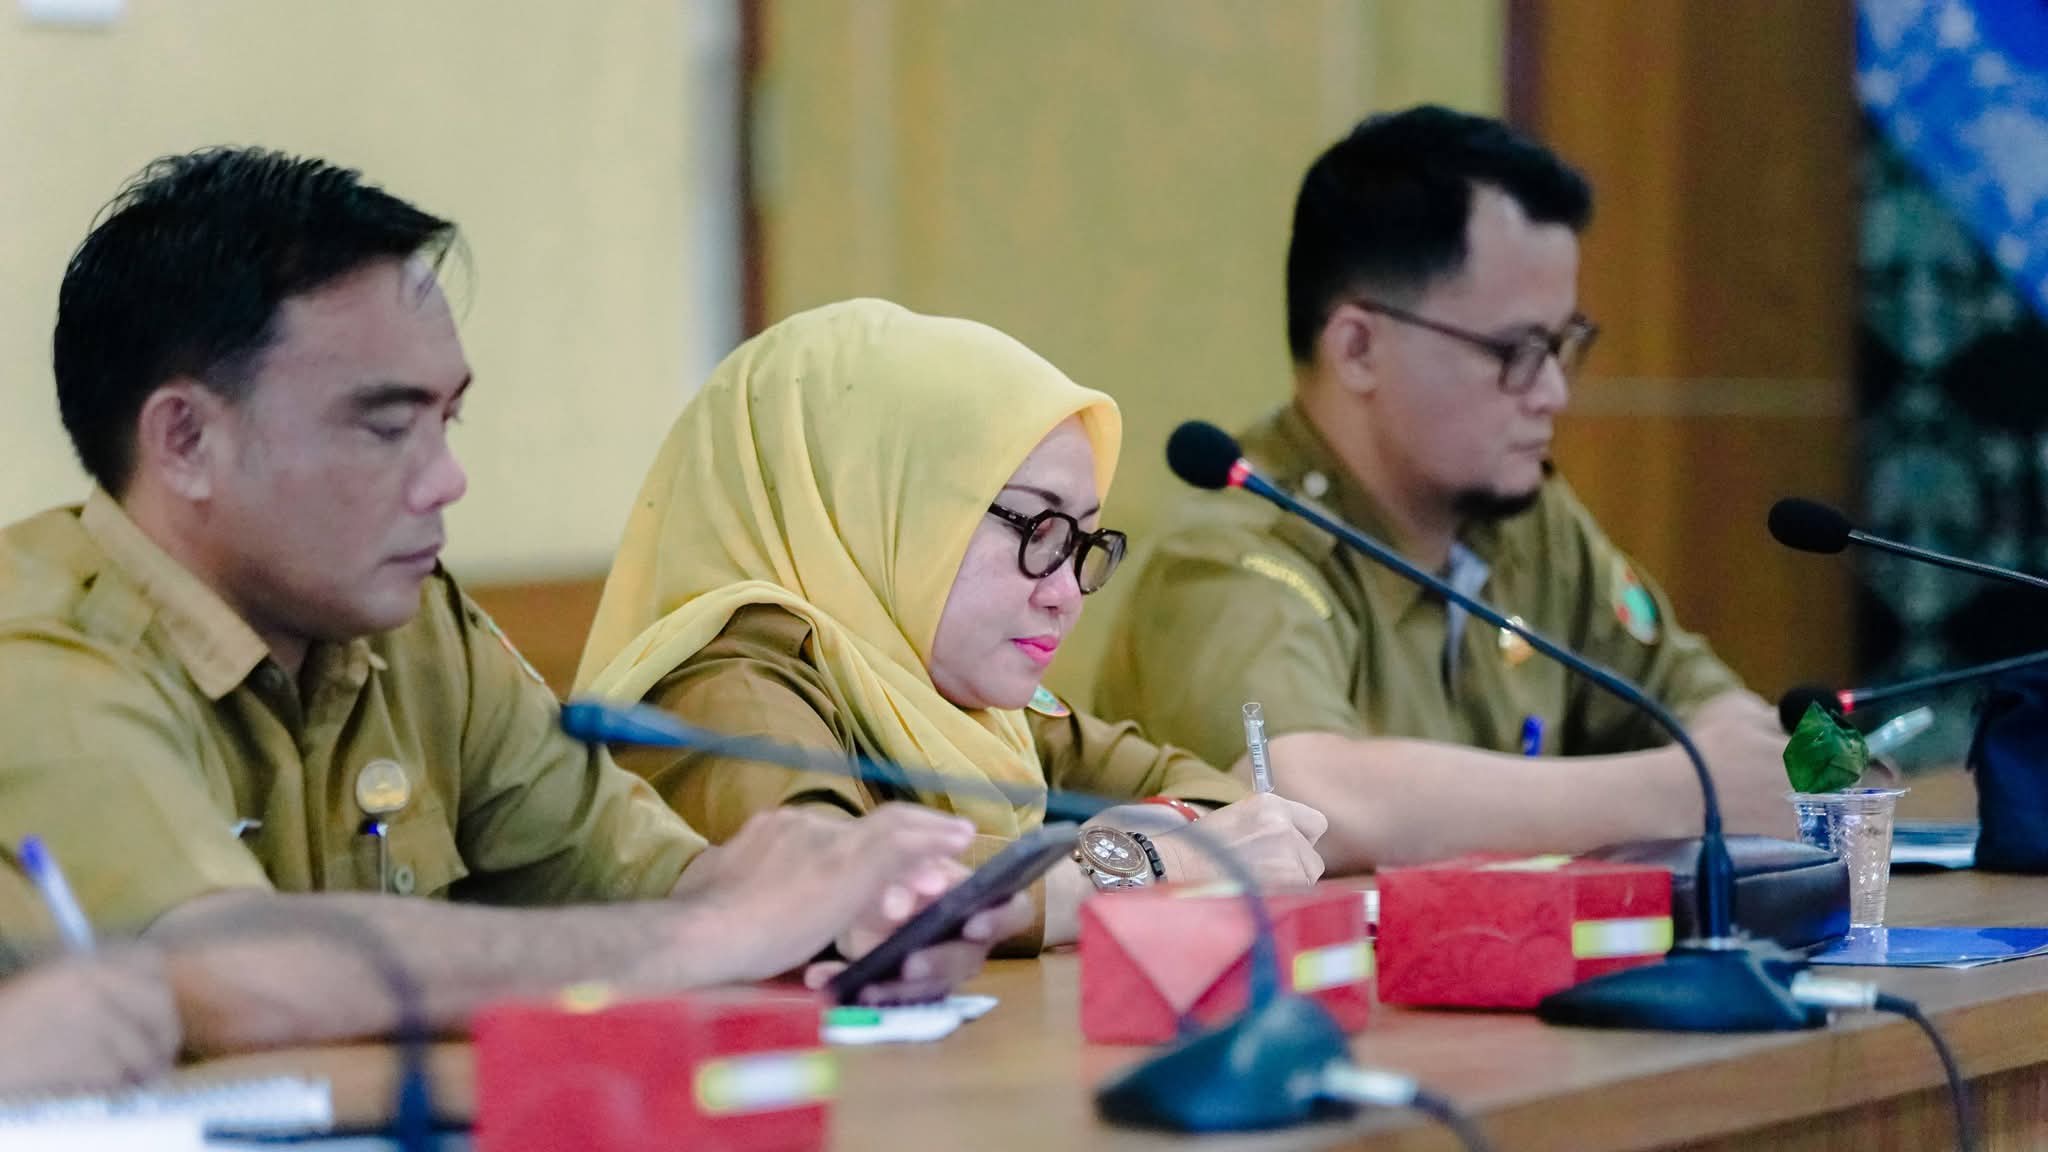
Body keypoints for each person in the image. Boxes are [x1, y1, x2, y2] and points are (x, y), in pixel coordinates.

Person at [0, 148, 1025, 1060]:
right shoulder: (36, 652)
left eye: (447, 422)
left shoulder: (414, 633)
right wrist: (715, 934)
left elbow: (663, 884)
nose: (445, 481)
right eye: (386, 428)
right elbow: (227, 975)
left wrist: (849, 924)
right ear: (186, 441)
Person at [1095, 105, 1793, 873]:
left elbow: (1707, 712)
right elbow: (1300, 794)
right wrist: (1679, 794)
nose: (1553, 393)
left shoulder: (1525, 523)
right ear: (1359, 349)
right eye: (1517, 350)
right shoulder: (1230, 557)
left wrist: (1740, 765)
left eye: (1563, 345)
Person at [575, 299, 1327, 950]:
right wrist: (1151, 862)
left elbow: (1205, 792)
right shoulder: (730, 691)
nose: (1067, 590)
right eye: (1037, 529)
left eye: (1081, 541)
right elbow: (838, 895)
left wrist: (1142, 844)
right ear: (870, 504)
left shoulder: (948, 698)